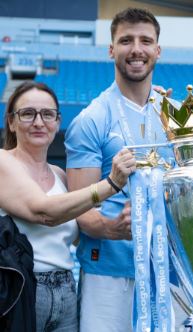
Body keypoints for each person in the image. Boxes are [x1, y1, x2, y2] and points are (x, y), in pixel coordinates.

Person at [64, 8, 175, 332]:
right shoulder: (91, 119)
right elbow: (78, 209)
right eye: (126, 40)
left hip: (168, 271)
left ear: (158, 50)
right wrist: (113, 227)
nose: (136, 49)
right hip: (109, 273)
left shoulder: (177, 114)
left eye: (145, 40)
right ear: (112, 49)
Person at [0, 81, 135, 331]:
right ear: (11, 122)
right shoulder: (3, 162)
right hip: (22, 289)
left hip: (65, 293)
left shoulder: (60, 176)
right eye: (28, 114)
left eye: (47, 114)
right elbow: (44, 211)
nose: (39, 122)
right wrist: (112, 184)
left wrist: (147, 104)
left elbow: (78, 233)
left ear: (58, 122)